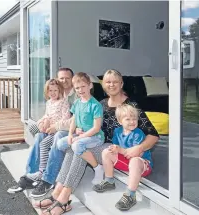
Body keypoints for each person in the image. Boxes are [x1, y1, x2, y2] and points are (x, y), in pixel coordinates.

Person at [35, 69, 159, 215]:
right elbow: (87, 124)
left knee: (78, 150)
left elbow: (153, 135)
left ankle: (64, 199)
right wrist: (79, 130)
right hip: (99, 144)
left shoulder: (131, 106)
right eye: (108, 82)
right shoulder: (101, 104)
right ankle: (57, 193)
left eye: (115, 81)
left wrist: (139, 147)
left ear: (121, 83)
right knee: (72, 147)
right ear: (103, 85)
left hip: (115, 150)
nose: (111, 85)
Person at [7, 68, 76, 194]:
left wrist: (55, 126)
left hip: (68, 130)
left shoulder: (76, 95)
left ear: (72, 79)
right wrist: (42, 122)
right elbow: (48, 114)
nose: (64, 80)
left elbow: (72, 120)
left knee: (57, 135)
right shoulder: (53, 98)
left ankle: (47, 178)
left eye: (67, 78)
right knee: (38, 135)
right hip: (53, 127)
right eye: (61, 78)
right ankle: (31, 174)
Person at [93, 103, 152, 211]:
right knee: (106, 152)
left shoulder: (138, 133)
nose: (132, 122)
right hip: (127, 162)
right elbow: (117, 148)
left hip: (141, 164)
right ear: (120, 121)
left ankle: (130, 195)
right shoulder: (117, 131)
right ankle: (109, 180)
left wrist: (119, 150)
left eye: (134, 119)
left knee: (134, 161)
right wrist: (114, 149)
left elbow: (136, 154)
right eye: (128, 119)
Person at [56, 72, 105, 185]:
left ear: (90, 85)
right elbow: (74, 120)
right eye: (77, 88)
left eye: (83, 86)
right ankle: (72, 161)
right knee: (60, 144)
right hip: (81, 135)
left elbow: (96, 128)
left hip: (95, 137)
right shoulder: (77, 102)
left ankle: (97, 168)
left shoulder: (95, 105)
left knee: (77, 145)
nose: (81, 90)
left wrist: (80, 137)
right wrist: (70, 134)